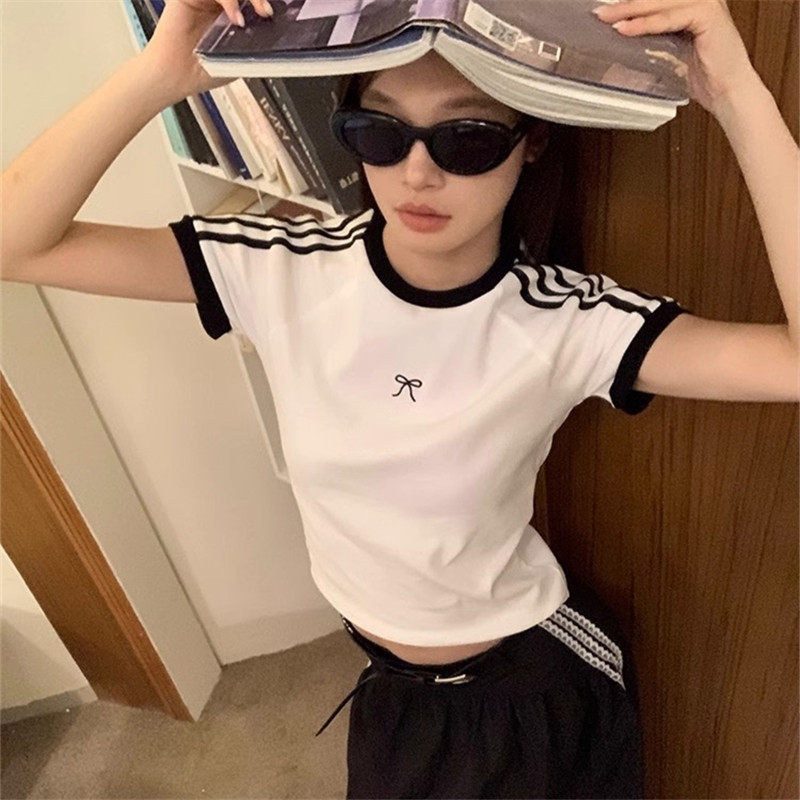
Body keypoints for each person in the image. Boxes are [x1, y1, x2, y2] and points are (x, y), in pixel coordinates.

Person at [2, 0, 797, 797]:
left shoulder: (566, 322)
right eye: (378, 134)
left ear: (531, 141)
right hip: (388, 687)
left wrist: (738, 95)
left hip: (529, 689)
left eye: (467, 139)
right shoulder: (279, 270)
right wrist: (162, 70)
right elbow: (16, 244)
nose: (417, 175)